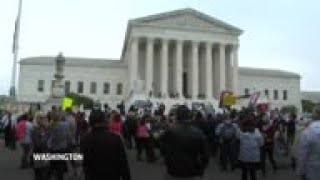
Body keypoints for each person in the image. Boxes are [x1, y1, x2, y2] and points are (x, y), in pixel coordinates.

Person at [160, 105, 209, 180]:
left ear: (176, 116)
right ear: (189, 116)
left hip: (173, 171)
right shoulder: (198, 133)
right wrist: (201, 169)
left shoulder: (169, 131)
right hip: (191, 171)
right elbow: (205, 155)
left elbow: (162, 149)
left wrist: (168, 161)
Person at [80, 109, 131, 180]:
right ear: (104, 121)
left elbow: (83, 159)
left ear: (90, 122)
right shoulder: (115, 138)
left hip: (92, 176)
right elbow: (123, 163)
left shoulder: (85, 139)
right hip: (112, 175)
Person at [297, 105, 320, 180]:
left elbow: (302, 156)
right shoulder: (307, 131)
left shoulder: (307, 133)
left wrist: (300, 172)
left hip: (312, 171)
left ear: (317, 113)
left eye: (312, 111)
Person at [48, 110, 73, 180]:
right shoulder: (66, 124)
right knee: (61, 166)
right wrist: (70, 144)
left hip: (53, 149)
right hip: (63, 148)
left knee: (53, 166)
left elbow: (49, 138)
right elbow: (69, 136)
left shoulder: (51, 126)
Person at [238, 115, 264, 180]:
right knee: (252, 174)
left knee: (245, 174)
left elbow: (238, 133)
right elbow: (261, 144)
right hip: (253, 158)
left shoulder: (240, 134)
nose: (249, 127)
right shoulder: (258, 134)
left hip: (244, 158)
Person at [31, 113, 50, 180]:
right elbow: (38, 144)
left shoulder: (47, 130)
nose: (44, 120)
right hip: (38, 152)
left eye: (45, 118)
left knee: (45, 172)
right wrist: (44, 136)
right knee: (39, 172)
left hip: (45, 153)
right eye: (42, 118)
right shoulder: (35, 130)